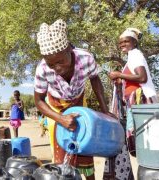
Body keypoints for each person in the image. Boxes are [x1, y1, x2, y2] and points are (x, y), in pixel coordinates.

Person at [34, 19, 113, 180]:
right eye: (51, 64)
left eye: (60, 61)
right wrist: (60, 119)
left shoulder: (86, 58)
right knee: (62, 153)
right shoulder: (42, 69)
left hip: (78, 104)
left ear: (69, 49)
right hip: (55, 109)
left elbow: (95, 80)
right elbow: (39, 101)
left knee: (85, 146)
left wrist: (105, 110)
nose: (57, 68)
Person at [103, 28, 158, 179]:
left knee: (144, 142)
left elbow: (142, 78)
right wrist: (121, 80)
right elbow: (133, 78)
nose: (122, 44)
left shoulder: (136, 55)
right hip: (135, 106)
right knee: (139, 142)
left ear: (134, 42)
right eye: (120, 42)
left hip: (142, 105)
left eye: (126, 41)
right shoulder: (131, 58)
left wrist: (119, 74)